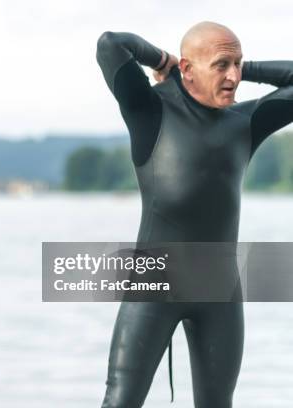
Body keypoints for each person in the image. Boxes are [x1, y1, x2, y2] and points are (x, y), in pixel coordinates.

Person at [96, 22, 293, 407]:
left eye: (237, 65)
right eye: (221, 65)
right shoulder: (149, 111)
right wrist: (163, 59)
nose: (233, 77)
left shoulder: (246, 122)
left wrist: (244, 66)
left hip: (219, 292)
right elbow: (111, 45)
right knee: (120, 401)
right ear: (188, 69)